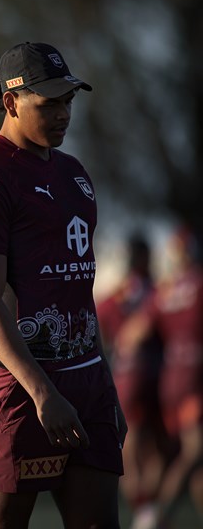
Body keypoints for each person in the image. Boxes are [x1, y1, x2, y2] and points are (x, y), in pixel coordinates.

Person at [0, 42, 127, 528]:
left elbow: (79, 294)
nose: (63, 114)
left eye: (68, 101)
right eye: (49, 104)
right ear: (10, 102)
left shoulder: (74, 174)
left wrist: (104, 384)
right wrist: (43, 393)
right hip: (16, 386)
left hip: (86, 380)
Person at [118, 226, 203, 528]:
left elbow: (131, 335)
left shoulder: (164, 292)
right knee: (194, 451)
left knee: (187, 461)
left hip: (170, 382)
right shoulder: (197, 284)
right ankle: (155, 516)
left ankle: (152, 514)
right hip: (194, 381)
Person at [96, 234, 167, 520]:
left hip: (128, 376)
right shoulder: (152, 290)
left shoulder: (119, 293)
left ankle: (146, 510)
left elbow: (98, 325)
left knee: (139, 445)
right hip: (148, 374)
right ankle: (146, 511)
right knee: (145, 445)